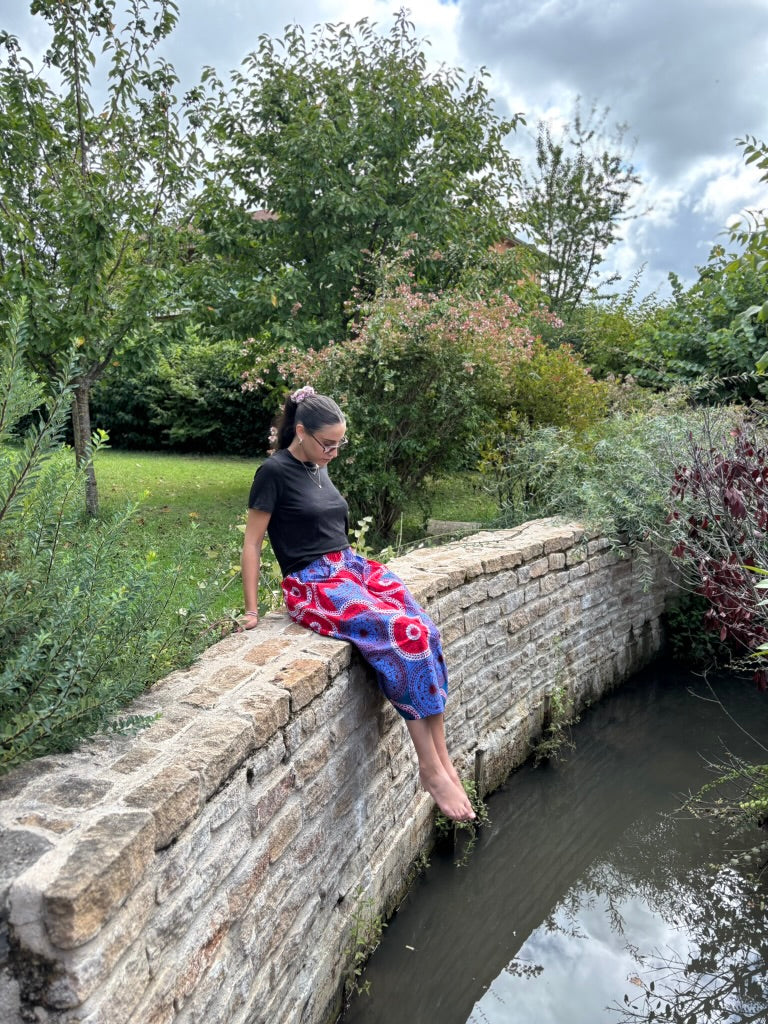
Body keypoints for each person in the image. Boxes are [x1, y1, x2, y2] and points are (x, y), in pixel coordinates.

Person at [241, 386, 475, 822]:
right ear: (301, 431)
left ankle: (443, 758)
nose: (333, 452)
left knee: (425, 629)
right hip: (314, 585)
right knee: (401, 636)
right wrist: (253, 610)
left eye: (339, 444)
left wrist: (324, 458)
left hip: (350, 569)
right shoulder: (273, 472)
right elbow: (252, 544)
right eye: (327, 443)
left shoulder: (317, 466)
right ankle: (429, 767)